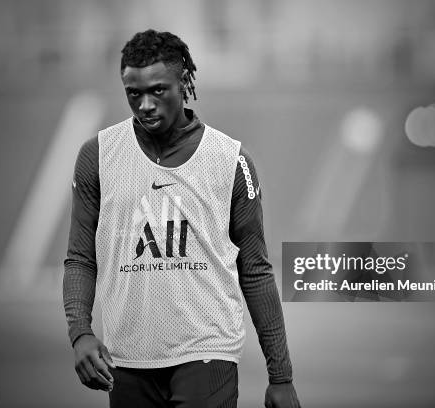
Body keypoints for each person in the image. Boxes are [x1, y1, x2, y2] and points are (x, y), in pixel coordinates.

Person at [63, 29, 300, 408]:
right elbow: (80, 258)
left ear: (185, 82)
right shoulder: (98, 157)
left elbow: (254, 268)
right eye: (133, 93)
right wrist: (80, 333)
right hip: (127, 358)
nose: (145, 105)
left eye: (158, 90)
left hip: (208, 353)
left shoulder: (230, 160)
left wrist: (281, 376)